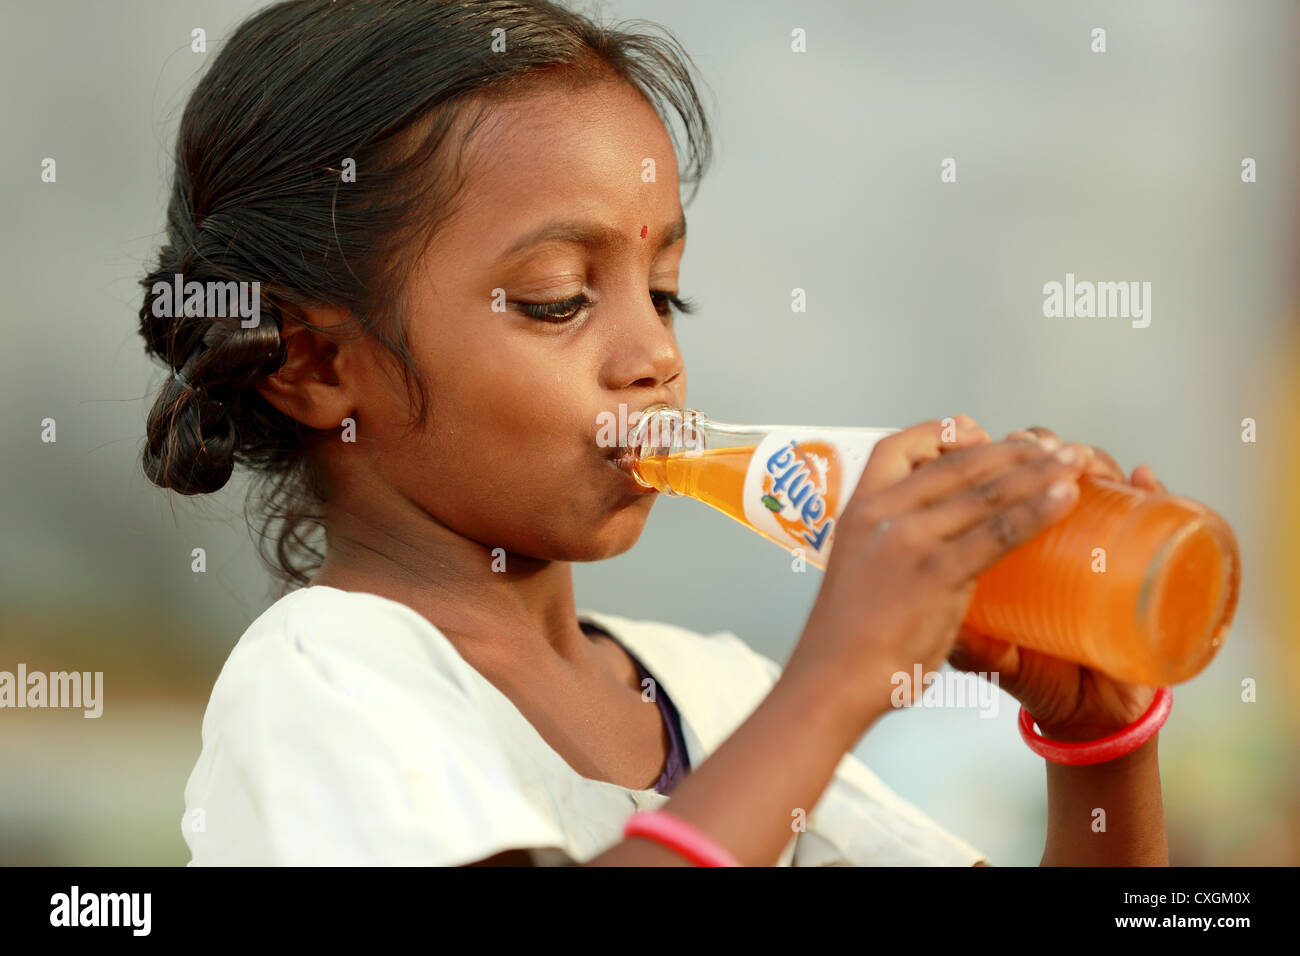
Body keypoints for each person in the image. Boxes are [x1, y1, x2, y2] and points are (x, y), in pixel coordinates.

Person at [139, 0, 1170, 866]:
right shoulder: (325, 682)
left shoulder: (720, 690)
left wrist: (1099, 746)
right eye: (556, 299)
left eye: (665, 291)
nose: (654, 356)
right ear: (317, 364)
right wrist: (836, 681)